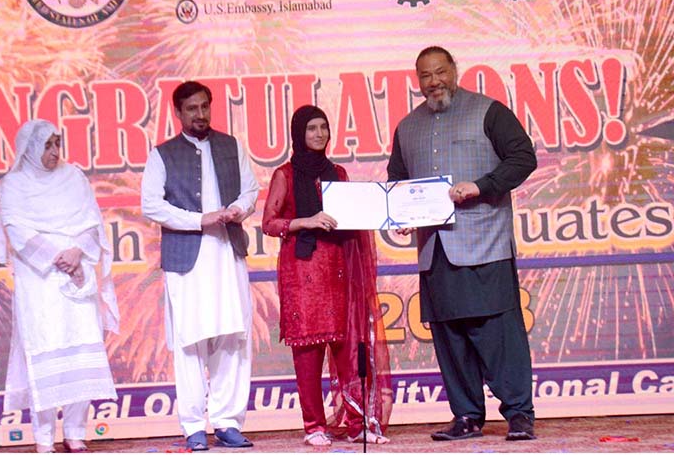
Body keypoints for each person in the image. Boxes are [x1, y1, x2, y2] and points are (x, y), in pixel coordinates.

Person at [387, 46, 538, 441]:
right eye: (425, 76)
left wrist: (482, 186)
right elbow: (398, 181)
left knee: (499, 332)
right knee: (449, 336)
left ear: (454, 70)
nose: (434, 82)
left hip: (484, 241)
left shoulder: (489, 111)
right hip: (435, 249)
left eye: (440, 72)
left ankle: (519, 414)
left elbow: (523, 157)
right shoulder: (407, 126)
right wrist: (400, 215)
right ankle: (467, 415)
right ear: (416, 79)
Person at [262, 105, 392, 446]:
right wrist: (306, 221)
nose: (319, 134)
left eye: (323, 128)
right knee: (308, 353)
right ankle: (314, 427)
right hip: (302, 272)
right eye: (311, 129)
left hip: (338, 266)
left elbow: (352, 215)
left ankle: (357, 424)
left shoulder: (339, 172)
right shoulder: (285, 175)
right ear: (298, 134)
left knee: (348, 349)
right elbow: (269, 223)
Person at [141, 81, 259, 451]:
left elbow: (251, 190)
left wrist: (238, 210)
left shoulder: (231, 146)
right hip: (187, 259)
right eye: (192, 109)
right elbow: (151, 205)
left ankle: (227, 422)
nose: (200, 114)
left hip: (227, 253)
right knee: (190, 342)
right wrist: (200, 219)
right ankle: (193, 425)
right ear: (178, 113)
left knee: (231, 337)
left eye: (205, 106)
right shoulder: (162, 154)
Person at [0, 119, 120, 453]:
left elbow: (93, 223)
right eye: (46, 145)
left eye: (57, 144)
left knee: (81, 345)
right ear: (30, 148)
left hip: (78, 273)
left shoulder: (73, 177)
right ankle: (44, 437)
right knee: (43, 349)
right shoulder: (14, 184)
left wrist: (77, 252)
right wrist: (55, 256)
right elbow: (16, 231)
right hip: (39, 280)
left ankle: (75, 430)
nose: (54, 152)